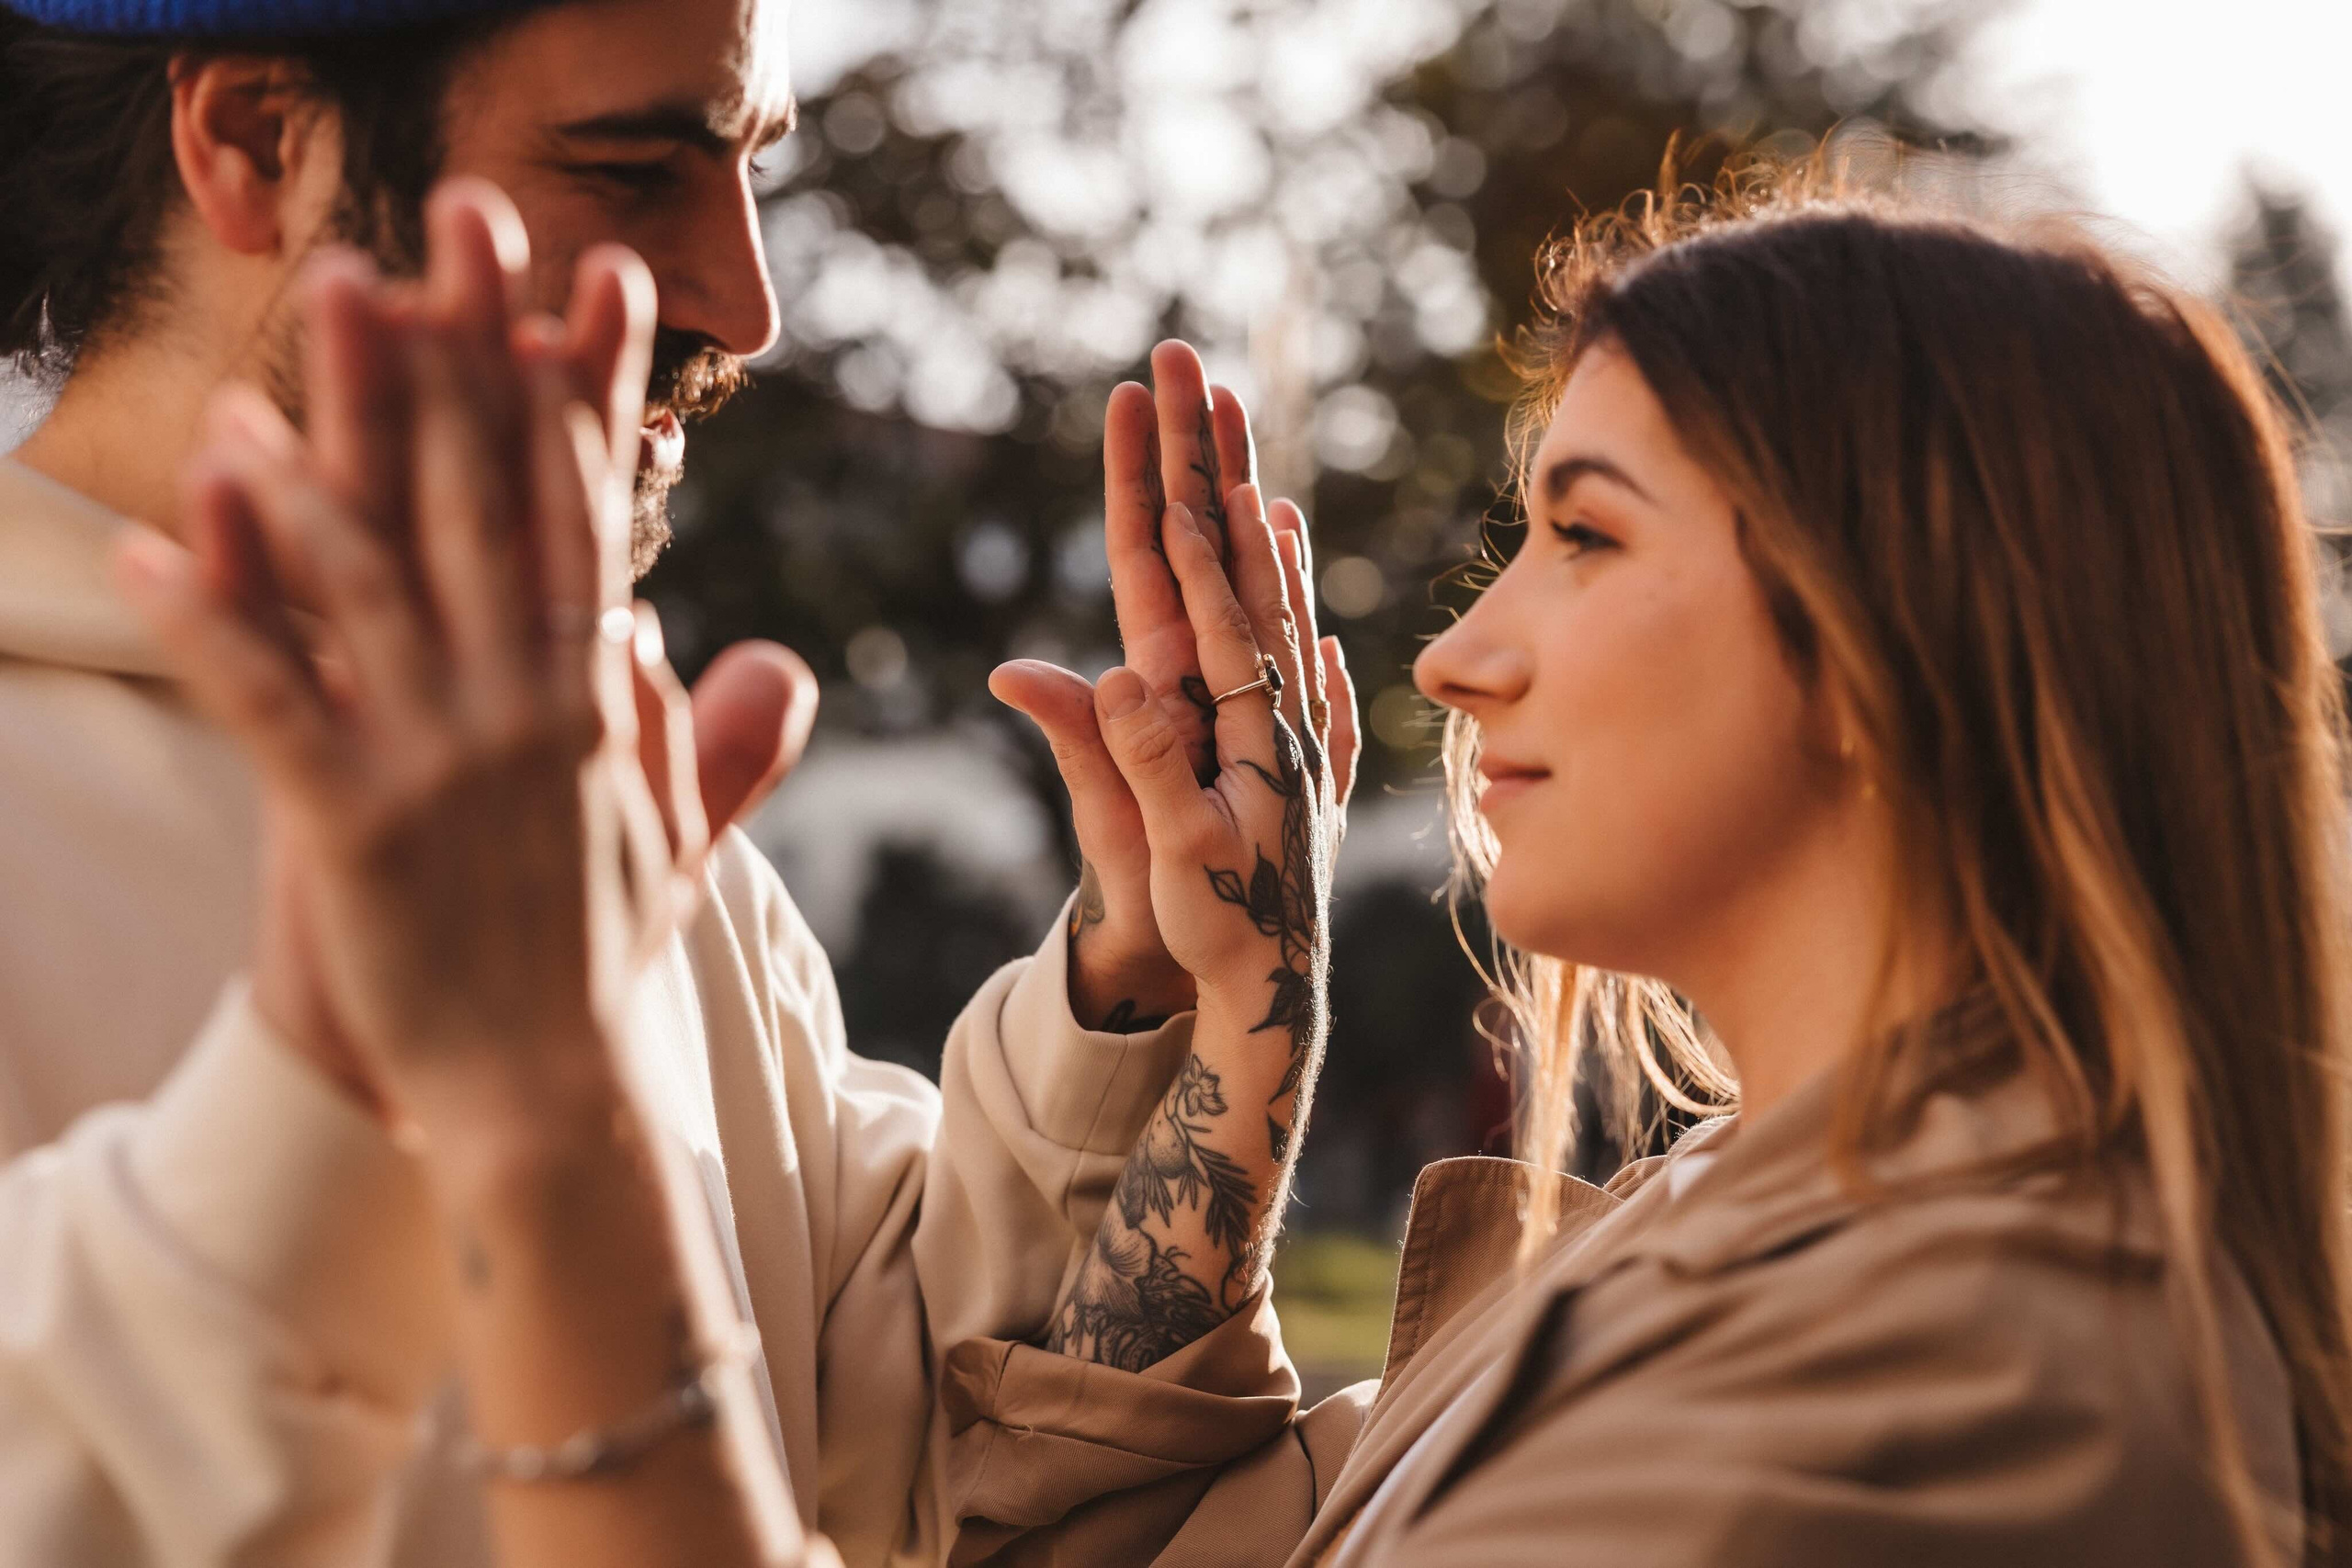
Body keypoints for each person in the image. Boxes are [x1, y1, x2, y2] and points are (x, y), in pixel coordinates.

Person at [0, 2, 1347, 1564]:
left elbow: (906, 1461)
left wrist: (1160, 988)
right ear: (254, 143)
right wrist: (330, 1094)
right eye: (636, 168)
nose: (749, 302)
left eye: (753, 167)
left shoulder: (632, 812)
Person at [933, 165, 2352, 1565]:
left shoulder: (1932, 1385)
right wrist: (1252, 1007)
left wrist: (697, 1376)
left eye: (1587, 534)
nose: (1453, 660)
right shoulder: (1734, 1230)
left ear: (1898, 638)